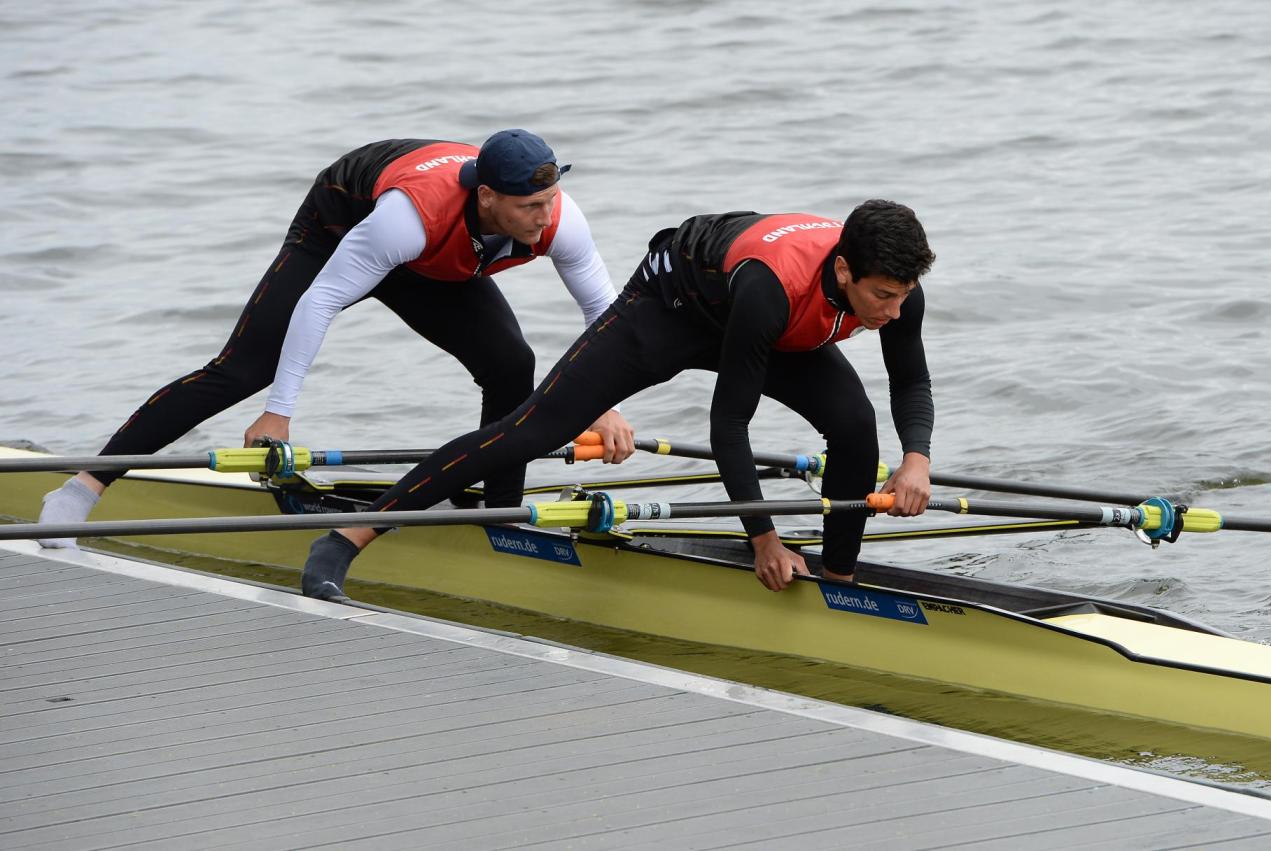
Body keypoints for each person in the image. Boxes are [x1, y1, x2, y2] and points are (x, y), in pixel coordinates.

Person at [302, 199, 935, 600]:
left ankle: (840, 583)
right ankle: (347, 538)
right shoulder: (773, 285)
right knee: (532, 430)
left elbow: (910, 381)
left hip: (764, 324)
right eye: (882, 297)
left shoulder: (897, 290)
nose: (893, 311)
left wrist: (916, 461)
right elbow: (729, 425)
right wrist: (764, 538)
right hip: (669, 311)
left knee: (855, 428)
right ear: (844, 270)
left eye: (902, 296)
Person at [37, 130, 635, 547]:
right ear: (486, 196)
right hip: (339, 227)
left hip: (426, 257)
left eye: (549, 200)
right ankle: (84, 486)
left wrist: (603, 404)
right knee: (244, 369)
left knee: (511, 363)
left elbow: (604, 314)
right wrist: (278, 413)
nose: (544, 216)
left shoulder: (559, 217)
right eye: (530, 206)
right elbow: (319, 300)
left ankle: (500, 515)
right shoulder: (409, 217)